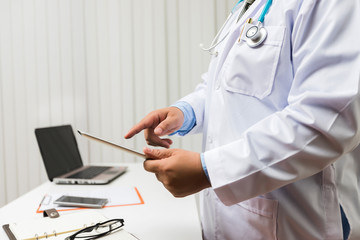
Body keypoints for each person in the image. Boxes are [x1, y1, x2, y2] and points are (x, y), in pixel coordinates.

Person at [125, 0, 360, 239]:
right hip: (231, 220)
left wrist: (210, 171)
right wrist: (186, 112)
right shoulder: (252, 5)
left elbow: (327, 120)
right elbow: (223, 87)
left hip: (291, 223)